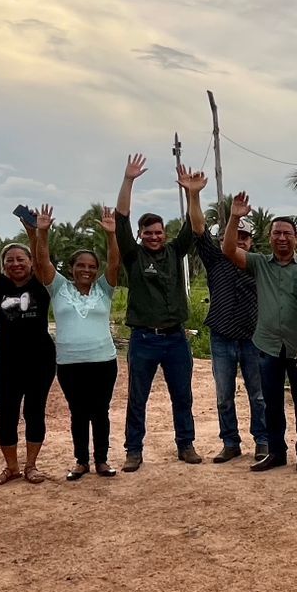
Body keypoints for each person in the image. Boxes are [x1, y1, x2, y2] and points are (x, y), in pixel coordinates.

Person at [219, 192, 297, 473]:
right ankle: (276, 452)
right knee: (271, 403)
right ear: (269, 237)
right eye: (276, 233)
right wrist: (235, 217)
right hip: (267, 346)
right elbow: (228, 250)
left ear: (295, 238)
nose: (281, 238)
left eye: (287, 233)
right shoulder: (259, 263)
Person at [114, 154, 199, 470]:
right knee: (137, 398)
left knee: (182, 396)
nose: (153, 237)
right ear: (140, 236)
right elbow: (121, 219)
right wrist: (129, 180)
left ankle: (186, 445)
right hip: (144, 339)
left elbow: (193, 226)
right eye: (148, 233)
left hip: (176, 338)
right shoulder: (133, 257)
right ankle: (133, 450)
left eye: (158, 232)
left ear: (165, 233)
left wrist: (192, 193)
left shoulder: (176, 252)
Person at [0, 207, 58, 487]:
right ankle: (12, 467)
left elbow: (43, 259)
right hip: (7, 360)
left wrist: (34, 232)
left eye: (21, 259)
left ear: (30, 263)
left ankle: (31, 466)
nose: (16, 263)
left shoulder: (42, 283)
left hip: (40, 359)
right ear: (3, 264)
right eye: (10, 260)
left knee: (34, 412)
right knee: (6, 413)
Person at [183, 169, 267, 464]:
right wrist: (193, 195)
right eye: (236, 236)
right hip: (221, 337)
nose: (240, 241)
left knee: (258, 395)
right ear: (224, 240)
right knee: (223, 397)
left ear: (251, 243)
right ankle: (230, 442)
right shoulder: (215, 259)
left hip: (254, 338)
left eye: (245, 237)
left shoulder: (258, 266)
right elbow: (198, 228)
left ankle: (263, 441)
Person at [40, 208, 123, 480]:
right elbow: (42, 262)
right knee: (78, 412)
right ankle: (81, 461)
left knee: (100, 411)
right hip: (70, 364)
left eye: (91, 266)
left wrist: (111, 235)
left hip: (103, 361)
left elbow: (114, 263)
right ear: (71, 268)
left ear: (96, 271)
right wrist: (42, 232)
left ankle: (101, 460)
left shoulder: (104, 289)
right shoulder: (59, 288)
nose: (86, 270)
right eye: (80, 265)